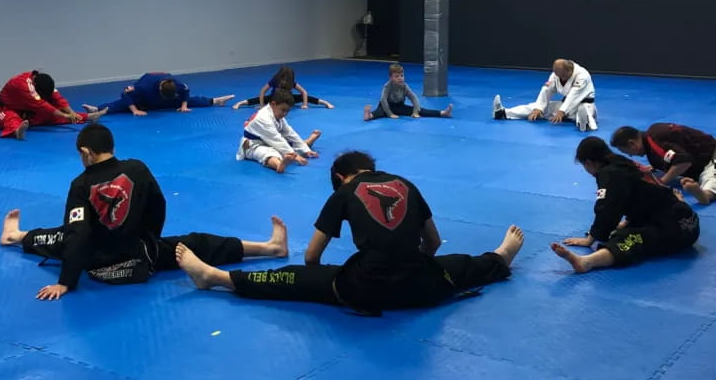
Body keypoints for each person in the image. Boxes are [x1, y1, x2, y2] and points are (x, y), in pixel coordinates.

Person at [176, 150, 523, 315]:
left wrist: (317, 282)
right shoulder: (406, 184)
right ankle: (503, 254)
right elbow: (431, 242)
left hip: (365, 289)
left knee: (292, 277)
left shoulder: (343, 192)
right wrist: (411, 266)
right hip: (423, 288)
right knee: (461, 264)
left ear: (341, 177)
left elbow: (312, 256)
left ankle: (215, 277)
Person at [0, 122, 288, 300]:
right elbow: (158, 206)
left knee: (58, 236)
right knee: (197, 243)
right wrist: (150, 239)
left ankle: (15, 236)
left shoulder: (81, 184)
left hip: (99, 262)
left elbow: (78, 234)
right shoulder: (137, 168)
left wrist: (65, 283)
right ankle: (269, 247)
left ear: (86, 153)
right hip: (141, 255)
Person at [551, 137, 699, 274]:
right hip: (688, 221)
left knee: (629, 238)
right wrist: (625, 223)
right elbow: (641, 198)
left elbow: (606, 209)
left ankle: (587, 262)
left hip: (677, 232)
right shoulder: (621, 162)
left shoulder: (608, 174)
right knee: (619, 229)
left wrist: (591, 238)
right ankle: (622, 230)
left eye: (584, 166)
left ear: (589, 162)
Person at [611, 123, 716, 205]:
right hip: (699, 161)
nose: (630, 155)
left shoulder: (655, 140)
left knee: (711, 179)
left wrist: (662, 181)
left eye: (626, 151)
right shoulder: (651, 139)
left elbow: (685, 162)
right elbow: (672, 153)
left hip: (712, 156)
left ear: (632, 144)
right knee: (652, 176)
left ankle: (705, 195)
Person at [0, 70, 105, 139]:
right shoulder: (23, 85)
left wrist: (71, 112)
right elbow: (42, 105)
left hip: (28, 113)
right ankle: (17, 131)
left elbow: (57, 98)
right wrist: (65, 116)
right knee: (11, 118)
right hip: (3, 110)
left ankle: (88, 116)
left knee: (51, 116)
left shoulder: (43, 81)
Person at [492, 58, 597, 131]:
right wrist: (539, 108)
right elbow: (547, 89)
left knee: (582, 111)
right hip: (565, 104)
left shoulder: (582, 75)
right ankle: (503, 113)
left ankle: (584, 123)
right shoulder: (557, 74)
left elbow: (574, 96)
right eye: (559, 76)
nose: (562, 78)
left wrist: (561, 112)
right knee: (534, 107)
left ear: (570, 71)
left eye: (564, 76)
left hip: (583, 104)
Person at [237, 88, 321, 173]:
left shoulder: (276, 113)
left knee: (289, 144)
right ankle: (279, 165)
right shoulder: (263, 118)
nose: (285, 114)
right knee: (268, 153)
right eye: (283, 110)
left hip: (269, 140)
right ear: (273, 104)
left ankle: (306, 144)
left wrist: (306, 150)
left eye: (287, 111)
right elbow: (276, 139)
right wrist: (294, 155)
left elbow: (289, 133)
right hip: (253, 145)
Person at [97, 72, 234, 116]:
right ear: (160, 90)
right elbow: (125, 94)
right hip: (146, 100)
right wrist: (135, 110)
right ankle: (98, 109)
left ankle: (215, 101)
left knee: (191, 100)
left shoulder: (177, 84)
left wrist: (184, 105)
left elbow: (186, 91)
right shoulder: (144, 86)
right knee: (123, 105)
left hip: (165, 99)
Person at [363, 63, 452, 121]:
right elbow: (383, 100)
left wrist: (415, 111)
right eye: (396, 76)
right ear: (391, 77)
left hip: (399, 106)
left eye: (402, 75)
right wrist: (390, 114)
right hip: (385, 106)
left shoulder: (404, 86)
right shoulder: (387, 86)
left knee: (421, 110)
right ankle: (369, 115)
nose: (400, 78)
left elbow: (413, 98)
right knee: (380, 113)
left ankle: (442, 113)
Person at [232, 65, 334, 110]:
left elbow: (304, 92)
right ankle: (240, 103)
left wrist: (305, 104)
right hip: (274, 99)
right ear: (279, 77)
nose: (285, 82)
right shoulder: (274, 81)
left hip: (288, 99)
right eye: (283, 79)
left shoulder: (291, 82)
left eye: (287, 79)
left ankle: (325, 103)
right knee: (259, 99)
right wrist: (262, 105)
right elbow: (263, 91)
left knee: (301, 97)